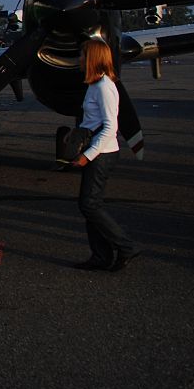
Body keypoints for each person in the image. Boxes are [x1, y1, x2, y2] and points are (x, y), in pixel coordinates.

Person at [68, 39, 139, 271]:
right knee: (89, 204)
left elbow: (111, 127)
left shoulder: (104, 87)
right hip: (98, 152)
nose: (79, 59)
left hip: (103, 154)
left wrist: (87, 155)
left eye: (82, 55)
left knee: (89, 204)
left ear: (93, 59)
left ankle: (126, 245)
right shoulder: (94, 85)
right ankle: (100, 256)